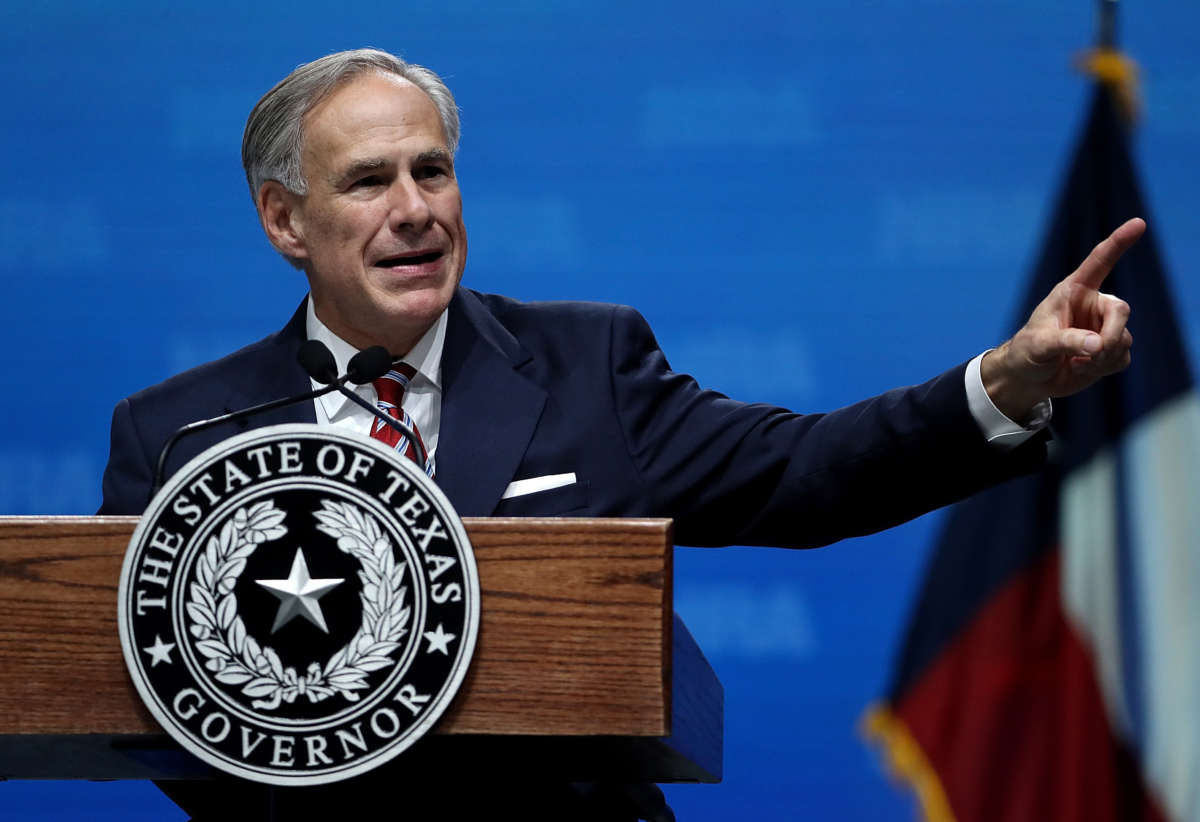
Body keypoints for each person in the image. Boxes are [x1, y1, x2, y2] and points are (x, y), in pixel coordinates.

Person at [98, 48, 1139, 818]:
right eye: (370, 181)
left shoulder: (583, 365)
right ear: (286, 220)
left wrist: (1002, 381)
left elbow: (806, 471)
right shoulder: (179, 433)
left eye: (434, 171)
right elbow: (131, 692)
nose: (416, 209)